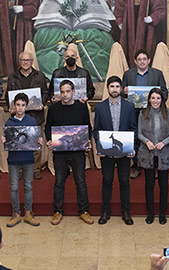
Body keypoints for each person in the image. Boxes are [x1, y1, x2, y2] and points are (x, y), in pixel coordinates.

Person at [45, 80, 94, 226]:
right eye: (62, 92)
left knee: (80, 181)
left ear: (73, 92)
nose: (65, 94)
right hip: (59, 152)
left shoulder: (81, 107)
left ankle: (84, 211)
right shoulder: (54, 109)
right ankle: (58, 211)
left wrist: (88, 141)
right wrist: (49, 140)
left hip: (78, 151)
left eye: (67, 91)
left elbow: (88, 127)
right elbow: (48, 127)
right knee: (59, 181)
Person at [94, 76, 137, 225]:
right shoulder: (100, 107)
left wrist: (132, 147)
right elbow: (96, 130)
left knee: (124, 181)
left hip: (124, 151)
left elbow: (133, 128)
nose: (114, 89)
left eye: (117, 86)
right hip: (107, 152)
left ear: (121, 89)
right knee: (107, 180)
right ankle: (105, 212)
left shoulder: (129, 106)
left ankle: (126, 212)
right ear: (107, 89)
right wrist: (100, 147)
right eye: (112, 86)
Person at [122, 48, 167, 179]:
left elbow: (165, 92)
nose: (142, 62)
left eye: (144, 59)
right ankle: (136, 166)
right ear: (135, 61)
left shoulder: (157, 74)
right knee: (136, 139)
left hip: (153, 112)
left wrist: (157, 95)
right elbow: (121, 92)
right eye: (139, 59)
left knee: (155, 137)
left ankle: (156, 166)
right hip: (134, 112)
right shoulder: (128, 74)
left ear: (149, 60)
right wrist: (124, 92)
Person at [6, 51, 49, 180]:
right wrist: (10, 106)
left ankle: (35, 169)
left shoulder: (40, 76)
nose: (25, 62)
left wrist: (42, 102)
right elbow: (8, 94)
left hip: (35, 116)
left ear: (32, 62)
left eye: (28, 60)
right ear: (19, 62)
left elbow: (45, 92)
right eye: (23, 60)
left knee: (35, 145)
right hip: (17, 118)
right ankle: (19, 170)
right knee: (18, 144)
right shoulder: (12, 77)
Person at [2, 93, 41, 228]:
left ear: (26, 106)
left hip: (28, 158)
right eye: (18, 105)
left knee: (28, 185)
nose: (20, 108)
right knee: (13, 187)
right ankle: (16, 213)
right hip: (13, 159)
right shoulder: (9, 122)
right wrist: (4, 141)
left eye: (23, 105)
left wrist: (39, 140)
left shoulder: (31, 121)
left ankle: (28, 213)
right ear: (14, 106)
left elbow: (35, 141)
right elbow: (8, 143)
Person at [137, 88, 169, 225]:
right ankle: (151, 212)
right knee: (149, 184)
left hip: (164, 153)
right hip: (148, 153)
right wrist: (147, 141)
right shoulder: (142, 113)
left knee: (164, 184)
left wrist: (163, 143)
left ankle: (162, 213)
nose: (155, 101)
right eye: (153, 98)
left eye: (158, 98)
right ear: (149, 99)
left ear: (162, 100)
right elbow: (139, 133)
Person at [114, 0, 166, 66]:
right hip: (129, 25)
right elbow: (119, 6)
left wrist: (152, 18)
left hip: (146, 27)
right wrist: (120, 22)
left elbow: (159, 8)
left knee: (146, 48)